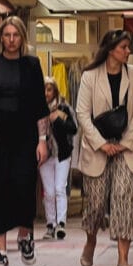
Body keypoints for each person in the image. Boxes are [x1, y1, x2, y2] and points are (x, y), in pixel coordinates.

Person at [0, 16, 49, 266]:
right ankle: (0, 253)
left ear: (22, 38)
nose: (11, 40)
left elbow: (41, 106)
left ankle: (25, 236)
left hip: (25, 135)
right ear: (0, 38)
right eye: (6, 35)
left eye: (15, 35)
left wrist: (42, 140)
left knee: (24, 187)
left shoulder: (31, 65)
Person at [76, 29, 133, 266]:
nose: (128, 51)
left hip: (128, 148)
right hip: (98, 147)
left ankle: (123, 259)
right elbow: (82, 114)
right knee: (95, 203)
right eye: (124, 47)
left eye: (129, 47)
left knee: (123, 199)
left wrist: (124, 143)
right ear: (110, 49)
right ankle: (91, 240)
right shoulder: (90, 76)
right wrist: (101, 143)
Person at [39, 77, 78, 240]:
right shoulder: (38, 109)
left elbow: (74, 129)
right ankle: (50, 224)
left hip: (62, 154)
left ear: (55, 91)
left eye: (49, 90)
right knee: (48, 192)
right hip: (45, 155)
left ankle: (61, 223)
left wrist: (59, 119)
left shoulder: (63, 107)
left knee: (59, 188)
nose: (47, 93)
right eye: (45, 90)